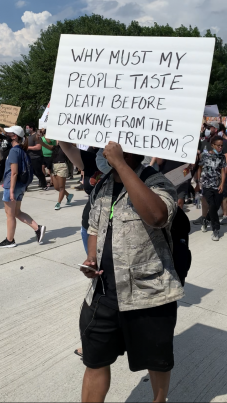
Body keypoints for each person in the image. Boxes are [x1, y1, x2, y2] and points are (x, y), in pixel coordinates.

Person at [79, 142, 183, 403]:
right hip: (103, 294)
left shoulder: (158, 181)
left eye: (113, 147)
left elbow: (157, 216)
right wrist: (91, 258)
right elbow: (94, 226)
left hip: (149, 294)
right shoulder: (102, 185)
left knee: (157, 361)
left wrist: (122, 165)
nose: (105, 151)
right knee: (94, 360)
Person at [0, 125, 46, 248]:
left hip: (11, 186)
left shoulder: (14, 151)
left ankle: (10, 240)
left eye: (8, 134)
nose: (6, 136)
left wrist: (11, 191)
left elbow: (14, 172)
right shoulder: (22, 150)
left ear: (14, 136)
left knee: (10, 215)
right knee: (17, 212)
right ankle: (37, 228)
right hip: (20, 186)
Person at [197, 135, 226, 240]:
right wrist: (198, 182)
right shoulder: (205, 156)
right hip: (206, 185)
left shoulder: (221, 157)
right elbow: (199, 168)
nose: (220, 147)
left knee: (216, 206)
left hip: (217, 185)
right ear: (212, 145)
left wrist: (222, 184)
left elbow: (223, 171)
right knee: (212, 205)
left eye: (221, 146)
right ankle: (216, 230)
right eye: (218, 145)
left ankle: (205, 219)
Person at [26, 123, 48, 190]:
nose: (26, 129)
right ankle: (25, 186)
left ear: (31, 128)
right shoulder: (28, 137)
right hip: (29, 157)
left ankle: (44, 184)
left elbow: (38, 147)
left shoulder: (36, 136)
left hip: (36, 157)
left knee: (38, 172)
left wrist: (28, 147)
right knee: (30, 172)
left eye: (27, 128)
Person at [51, 144, 73, 210]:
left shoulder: (66, 146)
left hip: (62, 166)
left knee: (61, 187)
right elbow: (46, 146)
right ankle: (68, 195)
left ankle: (58, 203)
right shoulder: (55, 147)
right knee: (56, 187)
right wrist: (40, 141)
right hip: (54, 167)